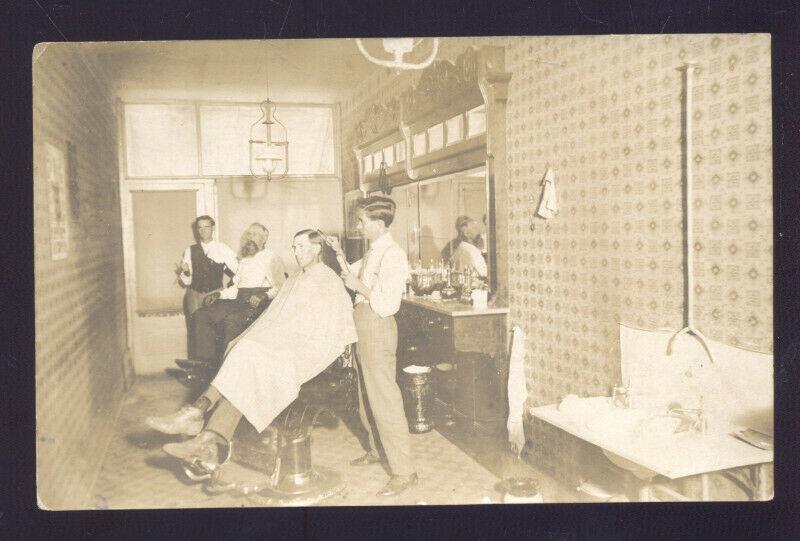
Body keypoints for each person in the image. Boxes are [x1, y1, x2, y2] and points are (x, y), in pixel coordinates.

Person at [147, 230, 357, 470]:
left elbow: (328, 329)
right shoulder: (297, 278)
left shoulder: (327, 279)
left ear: (317, 248)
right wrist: (250, 338)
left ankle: (197, 412)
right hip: (287, 345)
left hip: (310, 351)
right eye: (294, 247)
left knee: (249, 356)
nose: (296, 252)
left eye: (300, 246)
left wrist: (279, 340)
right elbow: (275, 316)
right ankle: (206, 439)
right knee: (241, 352)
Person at [327, 196, 417, 497]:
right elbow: (348, 274)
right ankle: (377, 450)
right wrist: (339, 254)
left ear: (379, 223)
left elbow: (386, 303)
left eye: (362, 221)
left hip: (377, 325)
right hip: (361, 323)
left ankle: (404, 472)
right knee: (363, 393)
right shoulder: (373, 252)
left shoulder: (393, 255)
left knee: (384, 399)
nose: (358, 226)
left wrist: (358, 287)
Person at [187, 223, 286, 364]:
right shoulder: (245, 260)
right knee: (201, 315)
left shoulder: (272, 258)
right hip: (240, 301)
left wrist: (263, 295)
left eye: (255, 234)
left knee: (231, 321)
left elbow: (281, 286)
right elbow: (236, 288)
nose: (250, 238)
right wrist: (219, 295)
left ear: (264, 239)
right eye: (249, 234)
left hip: (259, 304)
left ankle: (229, 366)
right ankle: (205, 363)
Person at [179, 216, 238, 357]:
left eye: (206, 227)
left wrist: (233, 288)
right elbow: (186, 281)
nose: (203, 231)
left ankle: (214, 370)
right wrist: (186, 271)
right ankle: (198, 369)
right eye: (200, 227)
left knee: (215, 332)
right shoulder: (190, 250)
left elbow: (239, 270)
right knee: (195, 333)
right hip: (194, 296)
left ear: (213, 228)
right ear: (196, 230)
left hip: (214, 295)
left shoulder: (222, 248)